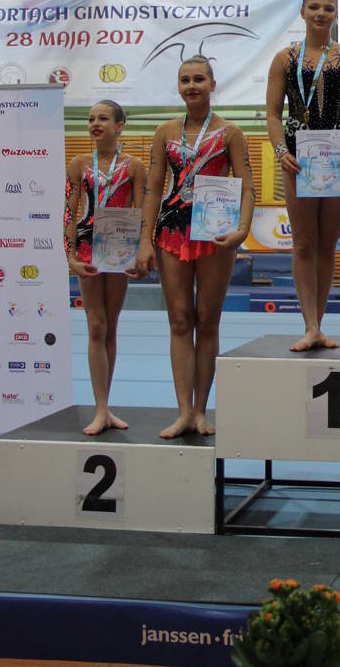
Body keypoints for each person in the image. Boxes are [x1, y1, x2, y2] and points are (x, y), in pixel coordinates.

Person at [136, 56, 255, 439]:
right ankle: (183, 412)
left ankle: (201, 410)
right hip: (173, 232)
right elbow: (153, 188)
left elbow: (248, 186)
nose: (192, 86)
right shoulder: (165, 132)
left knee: (207, 320)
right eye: (185, 80)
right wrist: (145, 240)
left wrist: (242, 230)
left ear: (212, 85)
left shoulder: (230, 132)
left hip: (215, 233)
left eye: (199, 79)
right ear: (179, 86)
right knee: (179, 320)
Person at [266, 0, 340, 352]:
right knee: (303, 243)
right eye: (314, 7)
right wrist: (280, 150)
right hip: (298, 159)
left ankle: (319, 324)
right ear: (302, 12)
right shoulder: (284, 59)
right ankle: (308, 325)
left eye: (328, 8)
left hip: (339, 158)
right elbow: (272, 114)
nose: (321, 13)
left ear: (336, 13)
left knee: (327, 243)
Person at [64, 100, 147, 436]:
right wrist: (70, 255)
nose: (95, 124)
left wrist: (140, 253)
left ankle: (106, 406)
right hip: (87, 246)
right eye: (90, 119)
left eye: (102, 118)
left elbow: (141, 211)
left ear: (119, 125)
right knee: (95, 326)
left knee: (110, 326)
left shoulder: (135, 166)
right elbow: (70, 211)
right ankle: (100, 409)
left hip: (118, 248)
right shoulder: (79, 164)